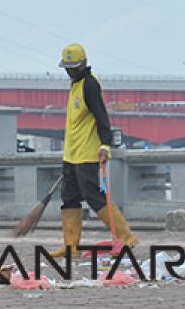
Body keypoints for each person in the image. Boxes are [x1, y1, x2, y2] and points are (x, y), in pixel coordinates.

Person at [50, 43, 138, 258]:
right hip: (71, 153)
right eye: (67, 67)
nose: (70, 71)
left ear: (84, 64)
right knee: (69, 198)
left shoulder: (89, 85)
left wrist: (105, 144)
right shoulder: (75, 85)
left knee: (93, 196)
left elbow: (101, 117)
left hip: (87, 153)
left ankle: (126, 237)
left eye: (74, 67)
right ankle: (71, 247)